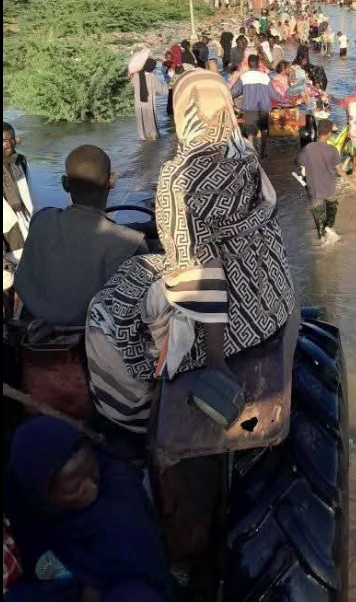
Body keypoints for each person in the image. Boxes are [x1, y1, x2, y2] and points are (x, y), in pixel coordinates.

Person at [86, 71, 297, 429]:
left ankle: (133, 423)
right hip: (274, 301)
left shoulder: (178, 175)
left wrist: (216, 361)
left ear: (184, 113)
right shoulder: (245, 153)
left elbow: (200, 267)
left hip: (230, 326)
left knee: (104, 313)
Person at [3, 417, 175, 602]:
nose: (92, 488)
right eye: (75, 488)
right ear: (41, 494)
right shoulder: (21, 500)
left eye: (93, 474)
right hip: (59, 584)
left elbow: (133, 565)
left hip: (120, 584)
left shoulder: (118, 491)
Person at [15, 146, 146, 325]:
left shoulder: (40, 219)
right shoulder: (133, 245)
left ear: (64, 183)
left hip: (31, 326)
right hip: (87, 335)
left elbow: (85, 231)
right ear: (112, 180)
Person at [230, 55, 290, 158]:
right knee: (264, 130)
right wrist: (286, 101)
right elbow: (274, 95)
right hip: (264, 108)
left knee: (250, 133)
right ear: (258, 64)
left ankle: (251, 155)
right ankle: (263, 153)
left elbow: (233, 92)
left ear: (248, 64)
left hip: (249, 108)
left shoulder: (244, 76)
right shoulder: (265, 76)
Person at [3, 123, 36, 281]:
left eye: (11, 139)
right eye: (3, 140)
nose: (8, 144)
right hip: (7, 227)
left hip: (24, 218)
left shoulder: (20, 160)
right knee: (8, 278)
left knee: (24, 270)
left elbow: (30, 192)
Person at [131, 56, 167, 141]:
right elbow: (161, 90)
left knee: (141, 119)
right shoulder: (152, 77)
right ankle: (153, 137)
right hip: (149, 102)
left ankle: (143, 137)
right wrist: (167, 78)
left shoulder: (136, 75)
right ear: (152, 68)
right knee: (151, 120)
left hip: (138, 103)